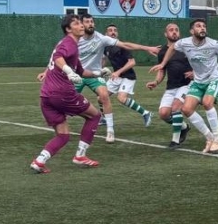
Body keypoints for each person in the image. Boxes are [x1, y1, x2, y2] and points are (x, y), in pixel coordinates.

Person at [37, 13, 158, 143]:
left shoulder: (101, 38)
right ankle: (60, 130)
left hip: (93, 74)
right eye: (87, 22)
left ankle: (110, 131)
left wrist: (147, 48)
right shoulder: (74, 39)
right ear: (81, 25)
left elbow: (125, 45)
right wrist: (46, 71)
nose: (90, 24)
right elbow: (57, 55)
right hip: (77, 75)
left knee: (104, 95)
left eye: (92, 22)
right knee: (62, 101)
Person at [149, 18, 218, 153]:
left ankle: (217, 138)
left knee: (207, 102)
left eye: (204, 26)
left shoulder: (213, 44)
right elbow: (172, 48)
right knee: (186, 109)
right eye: (198, 26)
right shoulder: (184, 43)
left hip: (214, 79)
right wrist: (163, 64)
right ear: (192, 31)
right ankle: (209, 137)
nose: (202, 28)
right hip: (198, 82)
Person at [31, 14, 106, 174]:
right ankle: (80, 155)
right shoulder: (69, 43)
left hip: (46, 96)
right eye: (77, 24)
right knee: (94, 116)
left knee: (63, 135)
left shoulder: (70, 45)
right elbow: (59, 58)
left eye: (81, 23)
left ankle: (39, 161)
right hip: (62, 93)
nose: (81, 26)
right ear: (68, 29)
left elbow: (81, 71)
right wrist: (67, 72)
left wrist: (98, 73)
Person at [146, 23, 193, 148]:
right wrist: (156, 82)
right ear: (166, 34)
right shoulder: (162, 52)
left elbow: (199, 62)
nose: (174, 32)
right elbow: (162, 70)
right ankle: (184, 127)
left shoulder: (187, 47)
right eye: (171, 30)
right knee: (163, 114)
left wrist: (194, 73)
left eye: (176, 30)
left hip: (187, 85)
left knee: (175, 107)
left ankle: (175, 141)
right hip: (172, 86)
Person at [101, 24, 153, 126]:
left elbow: (132, 62)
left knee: (121, 98)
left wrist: (118, 72)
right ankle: (104, 118)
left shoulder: (122, 46)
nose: (113, 32)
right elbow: (103, 59)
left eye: (115, 30)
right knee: (101, 97)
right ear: (106, 34)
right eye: (110, 30)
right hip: (116, 77)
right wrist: (100, 70)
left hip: (128, 77)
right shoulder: (106, 47)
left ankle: (146, 113)